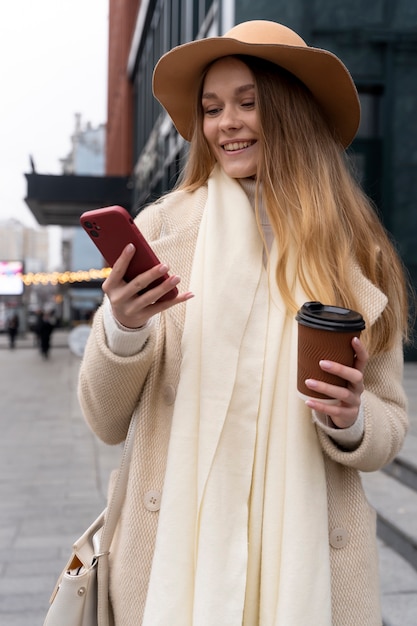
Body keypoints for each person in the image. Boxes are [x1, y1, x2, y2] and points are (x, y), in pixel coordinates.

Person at [78, 20, 411, 626]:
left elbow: (389, 429)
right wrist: (123, 329)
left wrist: (352, 416)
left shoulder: (361, 255)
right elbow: (104, 420)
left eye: (248, 103)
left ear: (291, 112)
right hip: (174, 567)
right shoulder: (162, 231)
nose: (225, 122)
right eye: (211, 108)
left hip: (308, 569)